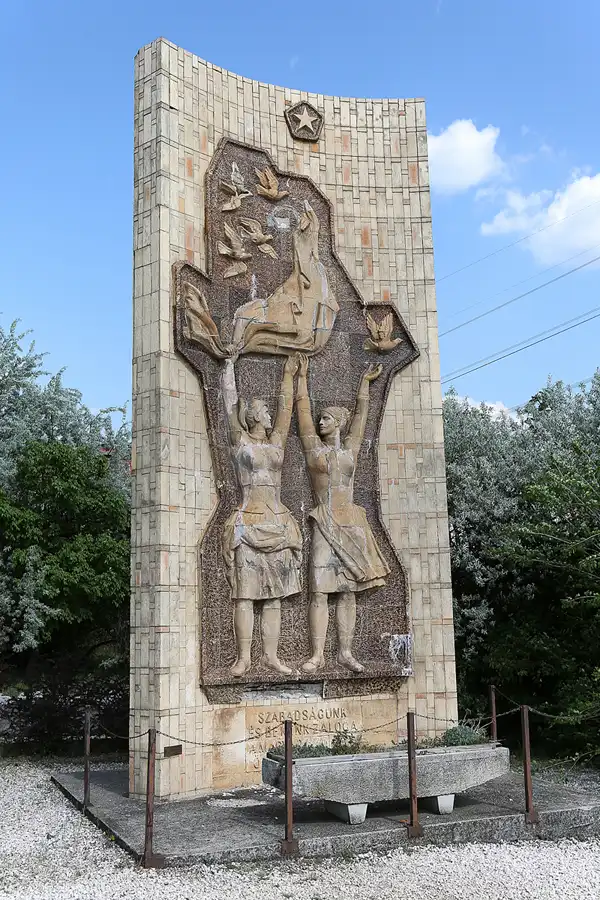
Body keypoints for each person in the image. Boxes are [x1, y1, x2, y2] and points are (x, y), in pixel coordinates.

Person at [295, 355, 390, 673]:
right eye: (320, 420)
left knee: (348, 591)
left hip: (351, 521)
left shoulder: (350, 449)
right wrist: (301, 379)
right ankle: (317, 654)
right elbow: (303, 413)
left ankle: (345, 652)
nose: (320, 423)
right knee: (320, 590)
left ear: (338, 423)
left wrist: (364, 385)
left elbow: (362, 417)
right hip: (324, 521)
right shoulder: (314, 450)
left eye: (326, 419)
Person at [221, 354, 302, 676]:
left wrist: (287, 374)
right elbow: (229, 406)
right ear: (254, 416)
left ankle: (270, 656)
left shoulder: (276, 444)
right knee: (245, 594)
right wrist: (228, 366)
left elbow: (286, 409)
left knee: (274, 597)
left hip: (277, 521)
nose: (270, 415)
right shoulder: (241, 441)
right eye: (264, 411)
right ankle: (243, 658)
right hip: (248, 521)